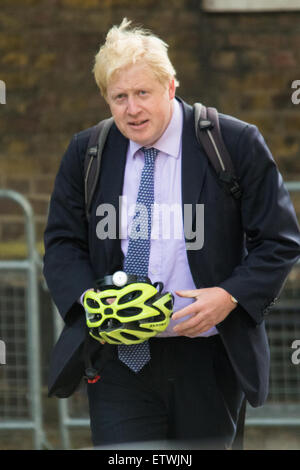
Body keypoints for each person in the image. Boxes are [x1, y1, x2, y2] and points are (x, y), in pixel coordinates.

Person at [43, 18, 300, 449]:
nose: (131, 109)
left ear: (170, 88)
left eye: (142, 93)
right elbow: (62, 244)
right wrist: (90, 300)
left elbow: (279, 241)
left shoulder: (233, 143)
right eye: (118, 97)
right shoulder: (88, 151)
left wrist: (229, 296)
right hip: (119, 358)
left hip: (209, 356)